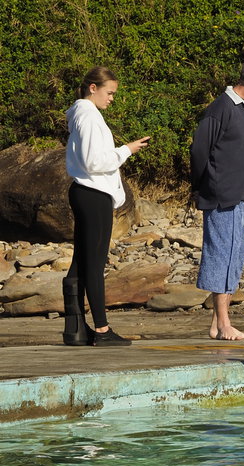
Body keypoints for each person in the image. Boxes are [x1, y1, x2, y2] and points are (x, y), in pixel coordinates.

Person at [191, 55, 244, 341]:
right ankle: (225, 323)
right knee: (221, 256)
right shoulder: (221, 108)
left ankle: (218, 324)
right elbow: (199, 152)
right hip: (223, 195)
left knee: (235, 258)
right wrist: (207, 187)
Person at [63, 66, 150, 347]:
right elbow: (93, 162)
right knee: (94, 263)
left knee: (82, 261)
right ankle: (102, 330)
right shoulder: (88, 115)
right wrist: (126, 150)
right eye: (109, 92)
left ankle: (74, 329)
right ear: (93, 88)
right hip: (92, 193)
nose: (112, 98)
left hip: (86, 192)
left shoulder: (83, 114)